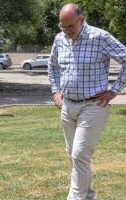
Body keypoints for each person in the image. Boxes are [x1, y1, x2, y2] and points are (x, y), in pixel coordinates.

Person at [48, 3, 126, 200]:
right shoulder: (59, 39)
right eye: (62, 27)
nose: (66, 31)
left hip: (93, 105)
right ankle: (88, 194)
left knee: (80, 154)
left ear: (82, 20)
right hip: (68, 105)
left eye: (70, 27)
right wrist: (56, 90)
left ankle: (76, 197)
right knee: (73, 154)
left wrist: (113, 91)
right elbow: (53, 67)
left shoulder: (100, 37)